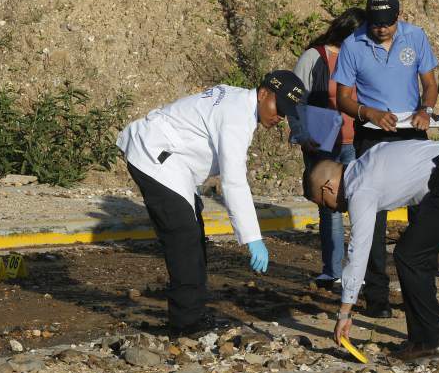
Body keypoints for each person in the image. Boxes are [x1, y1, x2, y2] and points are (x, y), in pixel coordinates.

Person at [117, 71, 307, 334]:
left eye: (286, 114)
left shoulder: (239, 103)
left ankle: (191, 315)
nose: (280, 118)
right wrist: (253, 237)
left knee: (194, 234)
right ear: (263, 94)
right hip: (154, 155)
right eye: (279, 108)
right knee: (184, 237)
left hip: (172, 161)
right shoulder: (237, 118)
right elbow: (233, 181)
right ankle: (186, 325)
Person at [304, 139, 439, 361]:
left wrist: (345, 312)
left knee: (410, 256)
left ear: (327, 187)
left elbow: (359, 250)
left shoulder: (360, 187)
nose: (330, 209)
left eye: (323, 203)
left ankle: (430, 341)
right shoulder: (372, 155)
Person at [332, 0, 439, 318]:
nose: (382, 30)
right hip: (373, 134)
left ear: (398, 16)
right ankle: (376, 296)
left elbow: (430, 83)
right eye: (376, 24)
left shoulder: (416, 37)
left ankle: (421, 293)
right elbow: (343, 96)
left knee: (423, 216)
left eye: (388, 24)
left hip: (413, 131)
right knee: (372, 221)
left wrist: (427, 108)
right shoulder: (353, 45)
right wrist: (368, 113)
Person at [291, 7, 365, 290]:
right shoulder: (315, 57)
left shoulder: (360, 56)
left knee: (361, 206)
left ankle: (360, 270)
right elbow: (294, 99)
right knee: (330, 208)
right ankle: (332, 270)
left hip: (356, 142)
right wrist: (300, 133)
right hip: (322, 143)